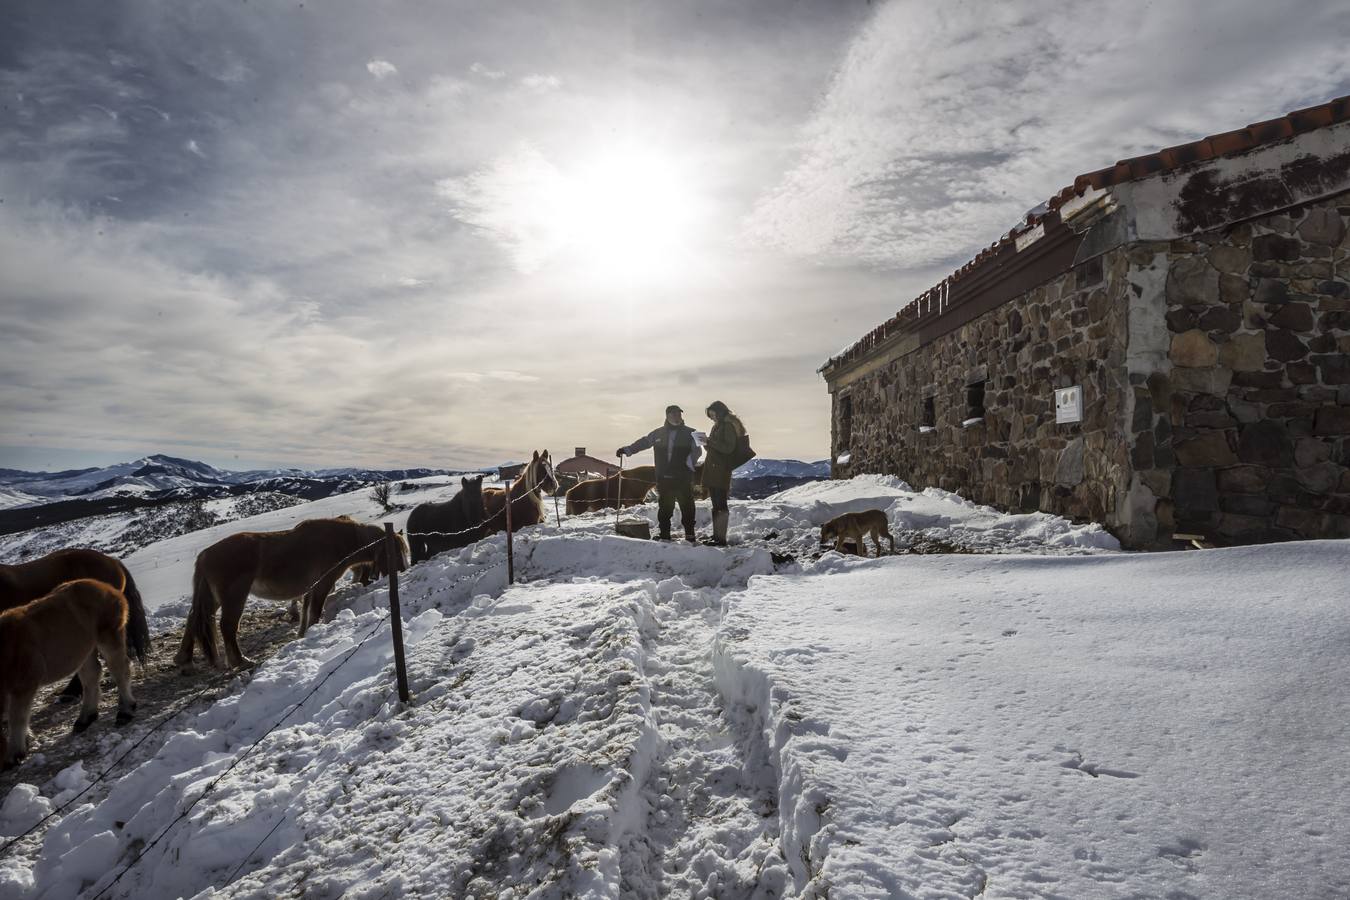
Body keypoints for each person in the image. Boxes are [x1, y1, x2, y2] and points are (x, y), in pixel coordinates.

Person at [617, 405, 702, 541]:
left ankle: (690, 535)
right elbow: (644, 442)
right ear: (667, 416)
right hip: (664, 477)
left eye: (679, 414)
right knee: (665, 508)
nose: (677, 417)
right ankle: (665, 535)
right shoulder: (657, 433)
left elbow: (698, 451)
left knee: (687, 507)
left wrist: (689, 463)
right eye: (673, 414)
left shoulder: (692, 432)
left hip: (683, 477)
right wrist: (627, 450)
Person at [700, 400, 746, 546]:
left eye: (712, 414)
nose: (711, 418)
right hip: (714, 467)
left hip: (721, 469)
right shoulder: (718, 425)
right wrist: (705, 443)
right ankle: (716, 536)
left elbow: (728, 448)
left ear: (719, 412)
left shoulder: (727, 426)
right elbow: (716, 448)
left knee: (720, 504)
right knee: (716, 504)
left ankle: (721, 538)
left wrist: (710, 442)